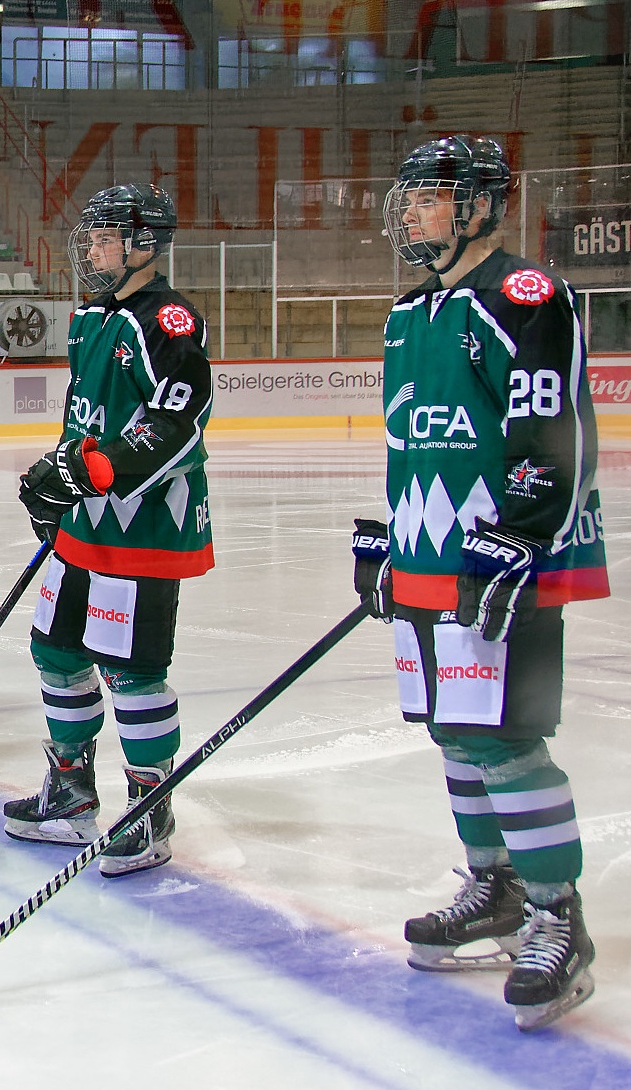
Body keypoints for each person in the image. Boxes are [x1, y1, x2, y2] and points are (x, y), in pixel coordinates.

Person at [356, 134, 608, 1031]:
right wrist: (392, 541)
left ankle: (557, 916)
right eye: (411, 195)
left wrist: (518, 537)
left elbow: (552, 433)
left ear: (478, 205)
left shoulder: (523, 295)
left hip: (506, 562)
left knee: (505, 739)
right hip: (434, 558)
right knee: (456, 736)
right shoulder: (408, 312)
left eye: (431, 195)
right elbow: (416, 435)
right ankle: (495, 889)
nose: (412, 210)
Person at [8, 183, 212, 877]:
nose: (90, 248)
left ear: (142, 244)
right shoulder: (92, 317)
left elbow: (176, 422)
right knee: (56, 652)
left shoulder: (169, 320)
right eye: (89, 236)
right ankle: (69, 792)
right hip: (85, 520)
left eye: (102, 236)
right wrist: (53, 473)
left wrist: (92, 471)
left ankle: (148, 807)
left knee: (130, 669)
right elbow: (84, 421)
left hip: (142, 521)